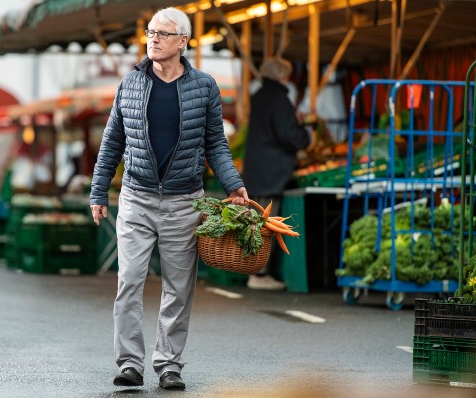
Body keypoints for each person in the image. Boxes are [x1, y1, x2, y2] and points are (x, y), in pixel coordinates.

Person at [89, 7, 249, 391]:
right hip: (137, 197)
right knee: (129, 281)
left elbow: (216, 144)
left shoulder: (205, 86)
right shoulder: (130, 83)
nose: (153, 39)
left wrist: (234, 185)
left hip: (183, 201)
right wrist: (98, 190)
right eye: (150, 32)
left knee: (179, 287)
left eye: (162, 33)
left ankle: (169, 364)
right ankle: (129, 363)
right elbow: (113, 141)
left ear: (183, 41)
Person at [241, 57, 315, 291]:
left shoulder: (261, 96)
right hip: (271, 172)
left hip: (258, 169)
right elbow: (287, 135)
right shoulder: (279, 99)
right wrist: (307, 137)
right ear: (282, 75)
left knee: (255, 222)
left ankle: (253, 270)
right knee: (266, 222)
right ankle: (259, 273)